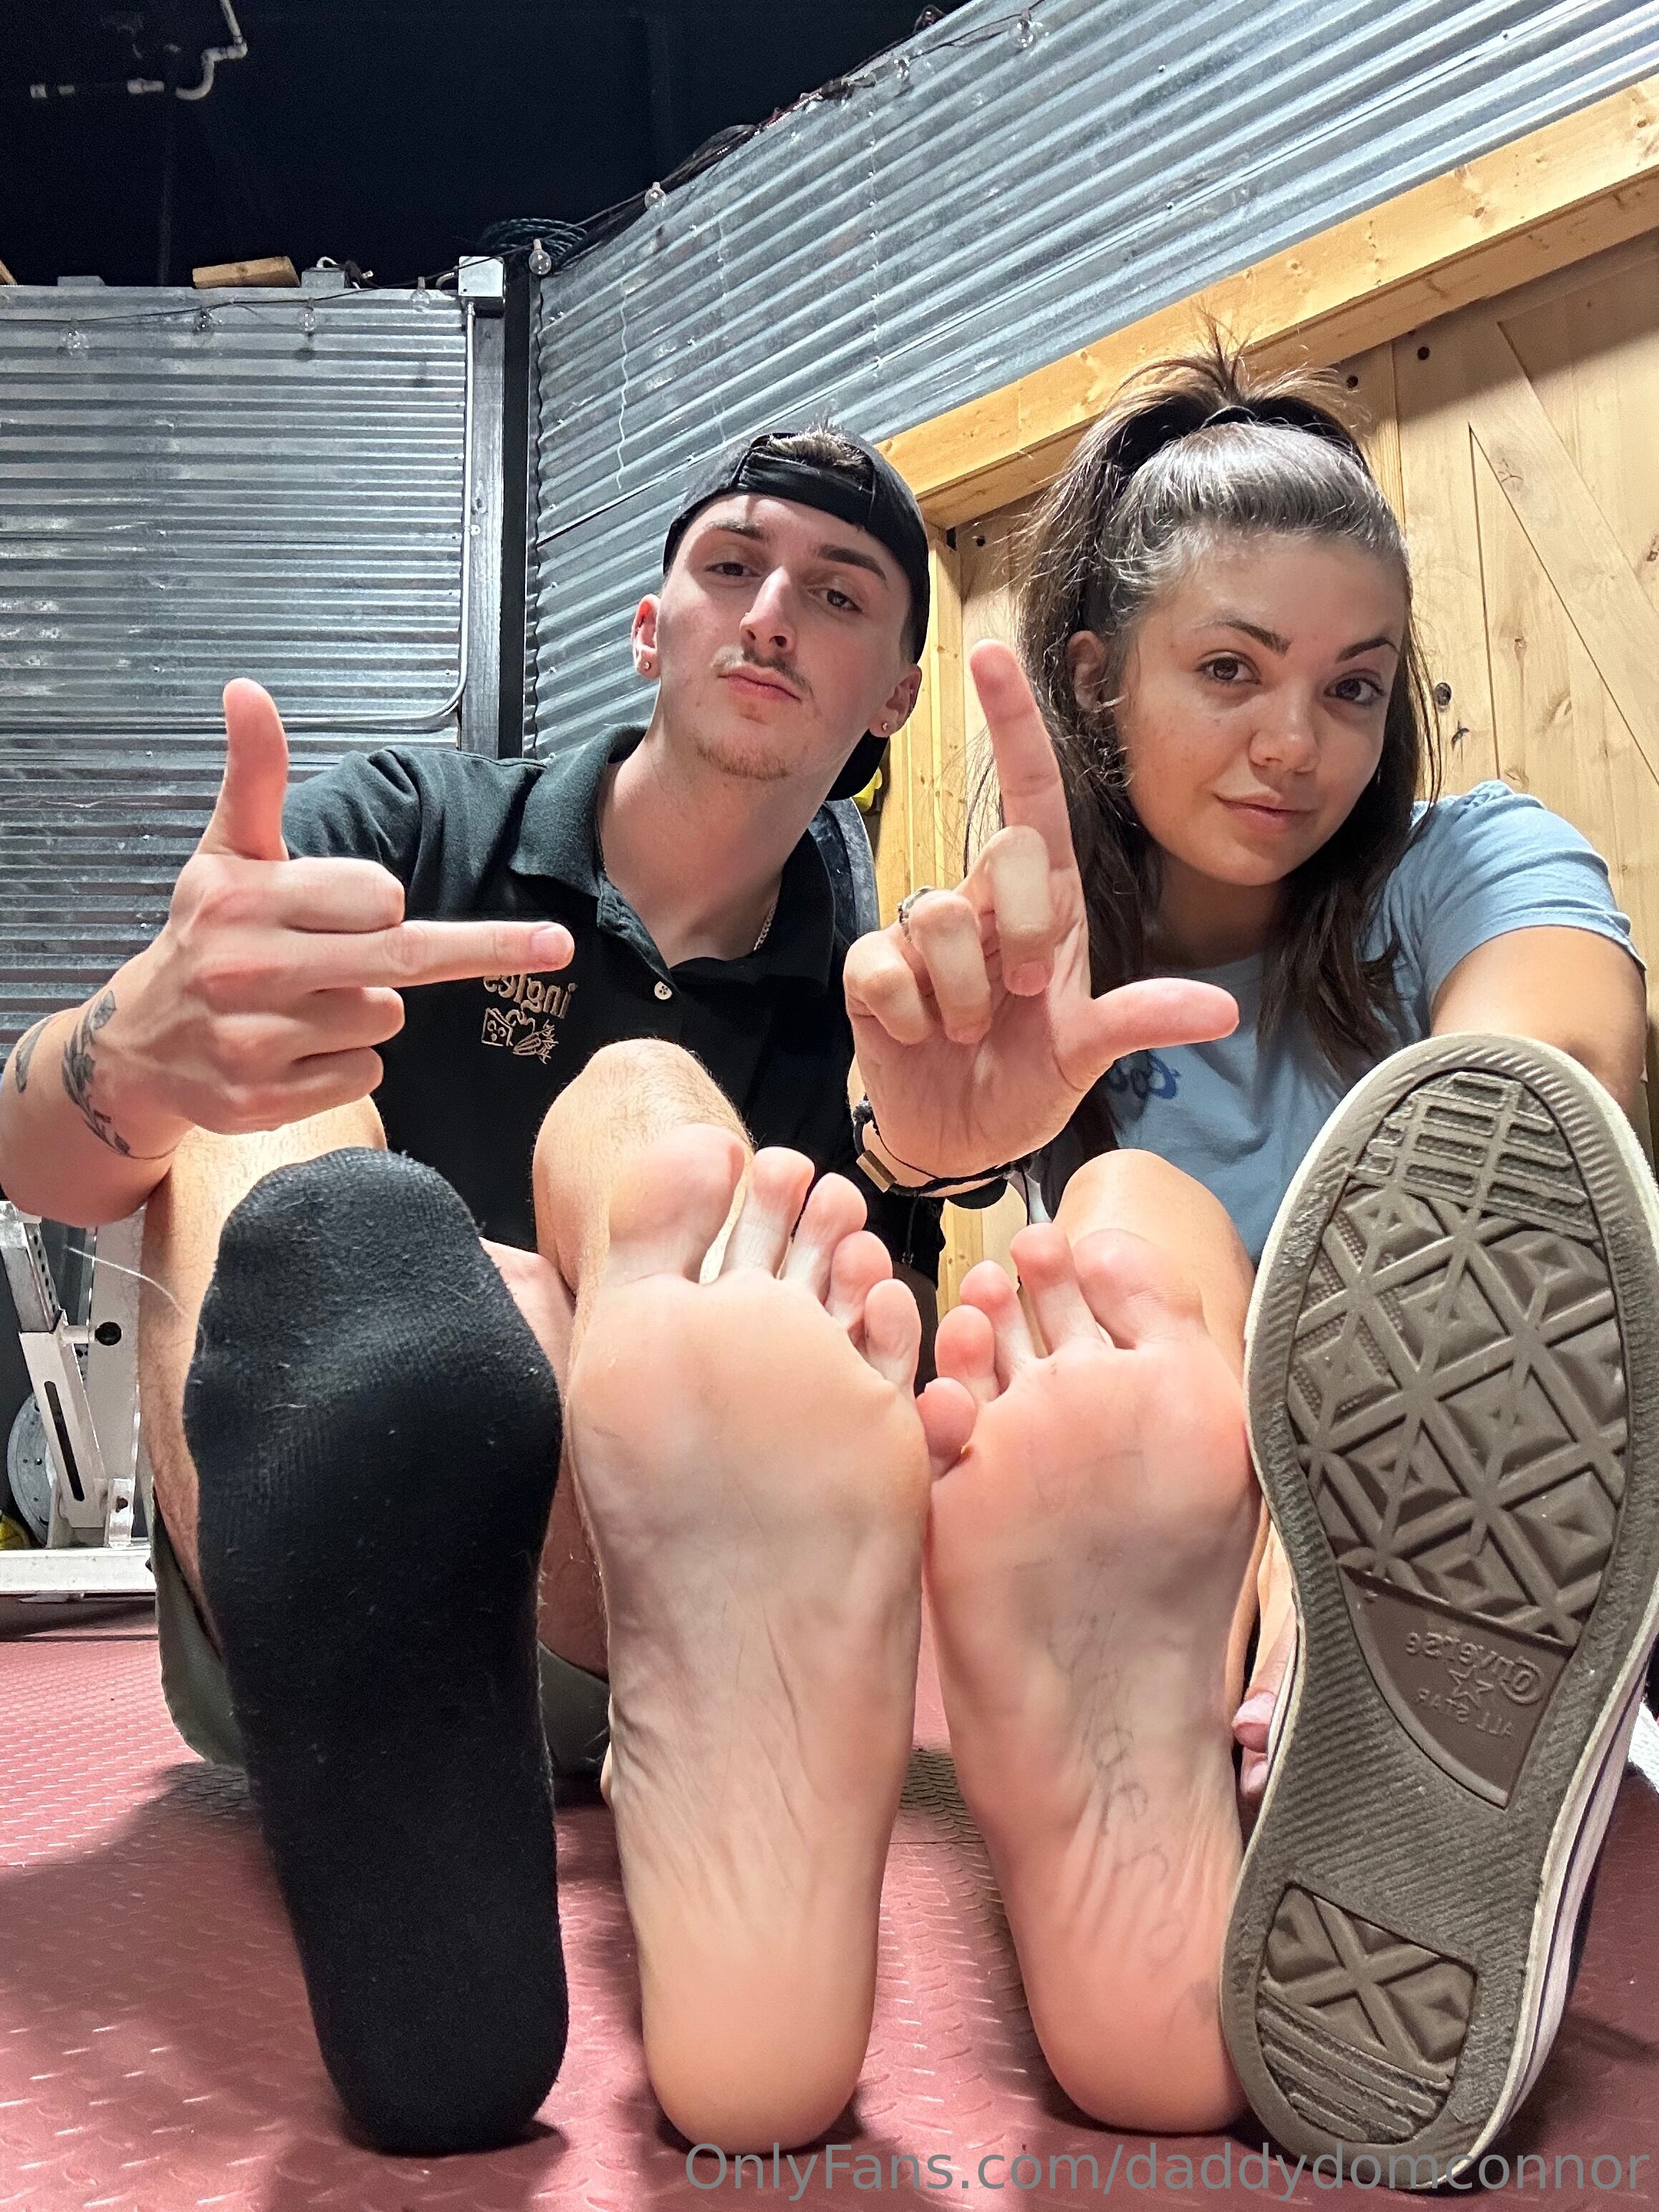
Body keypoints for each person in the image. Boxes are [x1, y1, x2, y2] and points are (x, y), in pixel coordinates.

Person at [0, 421, 1234, 2157]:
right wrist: (130, 1049)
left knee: (653, 1122)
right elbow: (37, 1156)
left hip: (640, 1574)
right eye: (732, 567)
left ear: (895, 693)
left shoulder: (888, 982)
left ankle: (600, 1779)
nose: (772, 610)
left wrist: (924, 1148)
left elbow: (859, 1371)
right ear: (652, 626)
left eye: (839, 593)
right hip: (320, 1577)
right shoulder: (403, 829)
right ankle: (423, 1454)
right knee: (271, 1118)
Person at [843, 340, 1659, 2174]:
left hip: (1447, 1517)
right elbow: (904, 1149)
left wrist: (1349, 1483)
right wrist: (926, 1138)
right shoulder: (1046, 967)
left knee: (1422, 1191)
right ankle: (1183, 1817)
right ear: (1094, 680)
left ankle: (1338, 1683)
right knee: (1131, 1220)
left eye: (1353, 686)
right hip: (1187, 1533)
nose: (1301, 742)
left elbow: (1541, 1079)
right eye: (1232, 670)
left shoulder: (1469, 858)